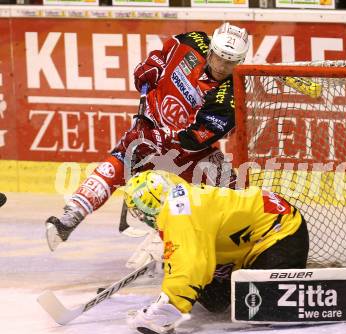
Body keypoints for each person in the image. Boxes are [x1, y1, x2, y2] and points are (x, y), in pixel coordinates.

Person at [45, 23, 250, 251]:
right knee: (120, 160)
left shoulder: (231, 94)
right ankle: (69, 219)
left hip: (188, 153)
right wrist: (150, 68)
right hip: (149, 124)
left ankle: (239, 240)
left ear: (240, 62)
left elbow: (194, 140)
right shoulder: (191, 42)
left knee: (235, 189)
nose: (222, 66)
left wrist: (160, 137)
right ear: (210, 49)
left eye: (231, 62)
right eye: (219, 58)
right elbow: (159, 57)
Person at [123, 170, 309, 334]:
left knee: (262, 309)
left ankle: (309, 292)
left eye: (138, 211)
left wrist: (168, 308)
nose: (141, 217)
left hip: (282, 230)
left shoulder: (179, 212)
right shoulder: (178, 202)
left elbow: (191, 264)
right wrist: (169, 255)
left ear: (148, 204)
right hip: (251, 237)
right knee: (215, 302)